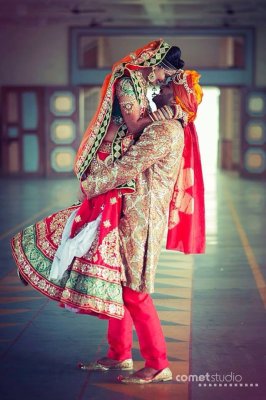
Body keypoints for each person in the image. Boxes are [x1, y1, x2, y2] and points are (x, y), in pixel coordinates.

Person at [11, 39, 184, 319]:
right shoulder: (127, 81)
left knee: (94, 225)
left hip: (119, 163)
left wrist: (168, 114)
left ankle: (66, 269)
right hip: (106, 160)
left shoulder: (143, 89)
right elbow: (134, 125)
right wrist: (167, 113)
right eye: (165, 74)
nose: (163, 81)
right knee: (88, 218)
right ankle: (39, 256)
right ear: (155, 65)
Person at [78, 69, 205, 383]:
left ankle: (158, 363)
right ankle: (119, 354)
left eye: (165, 88)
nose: (157, 91)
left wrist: (90, 183)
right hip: (133, 216)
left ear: (176, 95)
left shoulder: (163, 131)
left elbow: (127, 168)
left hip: (142, 221)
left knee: (135, 291)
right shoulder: (165, 125)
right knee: (120, 287)